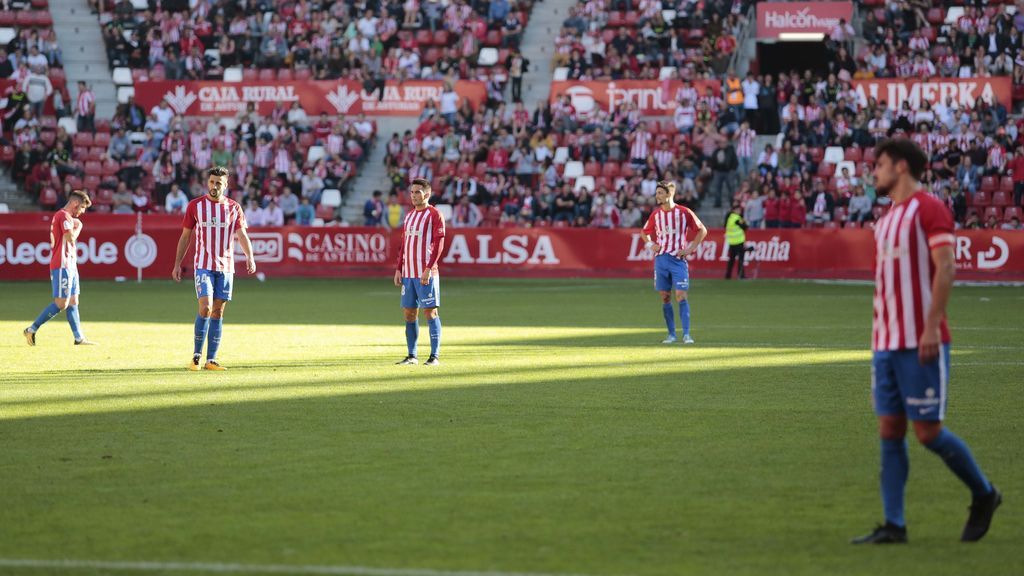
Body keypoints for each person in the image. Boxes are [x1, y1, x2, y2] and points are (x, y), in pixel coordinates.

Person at [852, 139, 1001, 545]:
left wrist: (932, 326)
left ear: (901, 167)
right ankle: (894, 525)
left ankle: (984, 494)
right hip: (886, 342)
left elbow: (946, 268)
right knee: (889, 429)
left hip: (922, 341)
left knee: (928, 432)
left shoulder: (930, 209)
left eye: (879, 164)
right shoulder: (884, 220)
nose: (875, 172)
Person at [171, 166, 257, 371]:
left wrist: (250, 257)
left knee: (218, 311)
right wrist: (177, 264)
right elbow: (185, 237)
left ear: (226, 185)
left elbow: (242, 235)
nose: (214, 186)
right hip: (203, 266)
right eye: (211, 182)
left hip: (226, 267)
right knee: (206, 307)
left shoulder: (234, 208)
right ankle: (196, 356)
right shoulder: (195, 206)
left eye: (219, 183)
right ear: (207, 183)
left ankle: (212, 359)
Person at [23, 190, 97, 346]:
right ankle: (32, 329)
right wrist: (79, 227)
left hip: (70, 264)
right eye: (82, 207)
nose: (83, 212)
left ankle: (79, 338)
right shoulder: (63, 215)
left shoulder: (67, 217)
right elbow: (70, 237)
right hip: (62, 264)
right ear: (75, 203)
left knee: (73, 300)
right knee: (61, 303)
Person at [640, 181, 707, 344]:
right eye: (656, 193)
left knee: (681, 295)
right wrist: (651, 245)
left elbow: (702, 230)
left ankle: (686, 334)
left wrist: (690, 248)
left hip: (678, 260)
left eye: (660, 193)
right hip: (661, 259)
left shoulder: (684, 212)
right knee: (665, 296)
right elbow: (644, 232)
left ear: (669, 194)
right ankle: (671, 335)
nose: (657, 196)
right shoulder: (656, 215)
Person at [394, 178, 446, 367]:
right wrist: (399, 268)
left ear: (427, 194)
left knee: (430, 312)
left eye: (418, 192)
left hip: (426, 272)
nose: (414, 195)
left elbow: (439, 244)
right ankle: (412, 355)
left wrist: (427, 269)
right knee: (409, 313)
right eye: (412, 192)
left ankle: (434, 356)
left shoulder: (434, 215)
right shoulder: (408, 216)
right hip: (408, 273)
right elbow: (404, 246)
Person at [724, 202, 749, 280]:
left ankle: (728, 276)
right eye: (738, 210)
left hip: (732, 242)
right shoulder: (737, 218)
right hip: (739, 242)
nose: (739, 211)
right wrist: (745, 222)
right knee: (741, 260)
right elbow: (745, 227)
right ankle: (741, 275)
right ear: (734, 210)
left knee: (731, 261)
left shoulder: (730, 218)